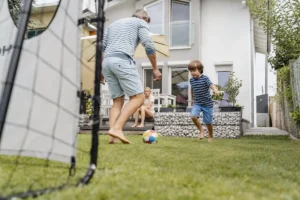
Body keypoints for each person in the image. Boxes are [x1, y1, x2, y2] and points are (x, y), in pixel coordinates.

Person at [101, 9, 162, 144]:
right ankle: (117, 129)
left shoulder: (113, 25)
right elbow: (148, 44)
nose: (146, 25)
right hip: (122, 60)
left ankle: (112, 136)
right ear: (143, 18)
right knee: (138, 97)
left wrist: (100, 70)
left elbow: (101, 48)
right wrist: (155, 68)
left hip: (107, 62)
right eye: (147, 22)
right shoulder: (141, 22)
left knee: (117, 101)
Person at [188, 60, 219, 142]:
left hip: (207, 104)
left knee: (208, 122)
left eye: (194, 70)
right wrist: (192, 99)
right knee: (193, 116)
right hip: (197, 103)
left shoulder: (205, 78)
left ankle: (211, 136)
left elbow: (211, 85)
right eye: (191, 71)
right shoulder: (191, 80)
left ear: (200, 70)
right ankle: (201, 130)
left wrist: (215, 89)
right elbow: (192, 89)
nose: (192, 73)